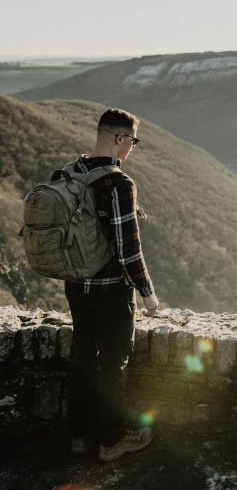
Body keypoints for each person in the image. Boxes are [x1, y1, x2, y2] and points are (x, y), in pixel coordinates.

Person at [57, 108, 159, 462]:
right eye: (132, 141)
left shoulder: (72, 172)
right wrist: (147, 294)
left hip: (75, 285)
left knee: (84, 358)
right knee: (113, 364)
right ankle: (112, 440)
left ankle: (80, 436)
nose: (132, 148)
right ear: (119, 139)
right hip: (110, 289)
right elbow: (128, 248)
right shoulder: (117, 183)